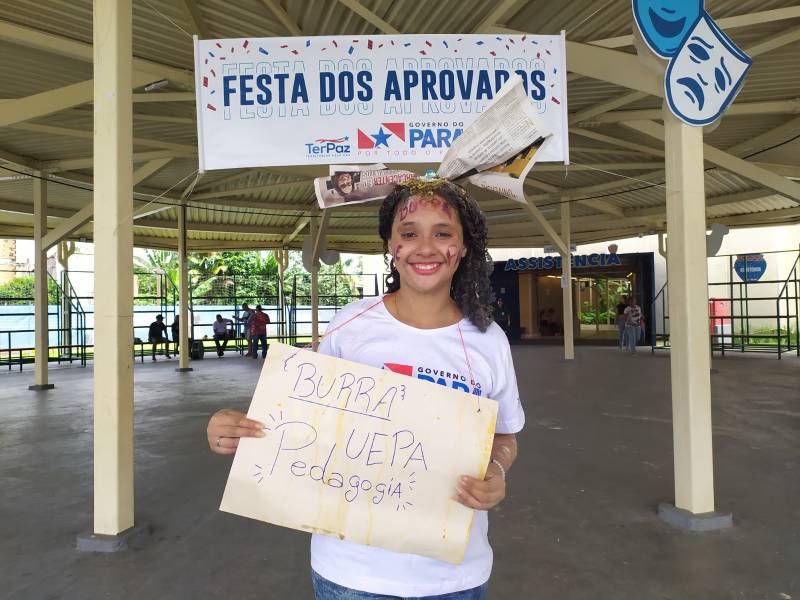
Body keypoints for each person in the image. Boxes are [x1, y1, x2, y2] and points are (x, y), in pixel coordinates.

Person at [207, 179, 524, 599]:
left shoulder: (488, 340)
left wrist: (497, 471)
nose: (425, 247)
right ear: (391, 246)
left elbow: (504, 434)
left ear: (464, 248)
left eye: (442, 233)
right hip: (352, 575)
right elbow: (303, 421)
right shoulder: (350, 326)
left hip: (454, 575)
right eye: (409, 233)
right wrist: (234, 429)